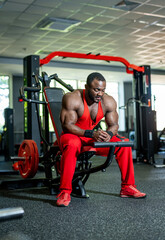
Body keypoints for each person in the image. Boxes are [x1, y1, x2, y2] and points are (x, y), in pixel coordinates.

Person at [56, 72, 146, 207]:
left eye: (103, 90)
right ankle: (65, 191)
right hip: (73, 135)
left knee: (123, 144)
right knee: (72, 143)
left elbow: (114, 125)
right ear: (86, 87)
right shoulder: (72, 98)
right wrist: (91, 133)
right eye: (96, 89)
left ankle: (128, 187)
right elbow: (67, 126)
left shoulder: (108, 101)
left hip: (92, 137)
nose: (100, 93)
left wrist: (109, 134)